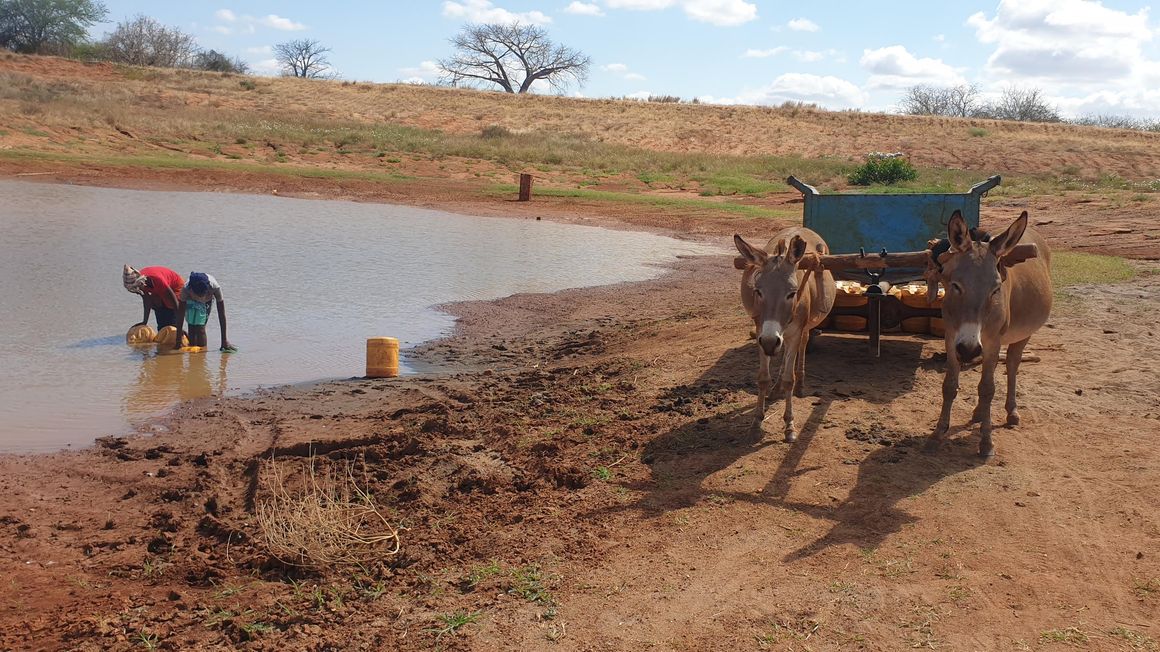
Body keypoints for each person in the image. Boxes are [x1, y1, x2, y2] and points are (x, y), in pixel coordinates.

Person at [176, 272, 235, 352]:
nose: (200, 297)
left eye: (202, 294)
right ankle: (192, 356)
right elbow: (180, 314)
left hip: (207, 302)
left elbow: (221, 314)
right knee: (191, 326)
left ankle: (202, 355)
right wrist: (178, 340)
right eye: (198, 294)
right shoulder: (186, 289)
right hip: (190, 299)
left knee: (200, 328)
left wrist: (224, 340)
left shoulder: (215, 287)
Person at [123, 264, 184, 330]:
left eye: (137, 289)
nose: (138, 293)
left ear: (140, 282)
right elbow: (147, 301)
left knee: (169, 305)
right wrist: (144, 322)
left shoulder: (157, 280)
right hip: (160, 288)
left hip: (175, 287)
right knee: (155, 302)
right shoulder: (141, 283)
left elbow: (175, 304)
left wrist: (179, 327)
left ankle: (172, 324)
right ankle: (162, 324)